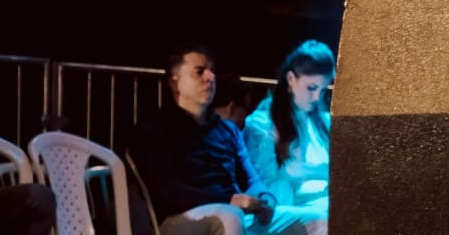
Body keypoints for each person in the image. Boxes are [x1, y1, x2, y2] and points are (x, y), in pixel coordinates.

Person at [129, 46, 282, 235]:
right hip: (181, 218)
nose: (210, 77)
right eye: (199, 71)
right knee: (229, 217)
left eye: (212, 70)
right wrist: (229, 200)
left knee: (311, 219)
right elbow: (168, 191)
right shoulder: (155, 128)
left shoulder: (227, 130)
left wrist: (265, 198)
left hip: (233, 212)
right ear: (175, 82)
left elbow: (251, 179)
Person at [242, 42, 333, 235]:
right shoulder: (263, 123)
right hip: (285, 210)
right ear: (291, 79)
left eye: (323, 90)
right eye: (311, 88)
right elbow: (266, 184)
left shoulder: (323, 123)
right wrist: (313, 172)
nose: (317, 97)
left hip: (325, 204)